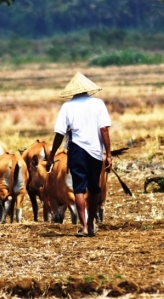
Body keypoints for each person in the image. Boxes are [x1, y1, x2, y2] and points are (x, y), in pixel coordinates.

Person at [46, 72, 112, 237]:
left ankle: (83, 226)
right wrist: (108, 154)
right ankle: (91, 225)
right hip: (96, 152)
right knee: (94, 188)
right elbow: (104, 130)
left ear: (73, 91)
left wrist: (52, 154)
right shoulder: (98, 104)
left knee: (79, 189)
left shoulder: (67, 107)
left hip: (76, 151)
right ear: (88, 89)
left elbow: (59, 134)